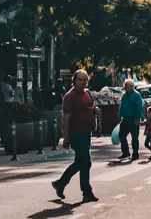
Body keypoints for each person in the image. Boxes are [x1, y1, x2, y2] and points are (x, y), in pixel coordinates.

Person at [52, 70, 99, 203]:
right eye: (80, 79)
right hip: (76, 133)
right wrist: (66, 137)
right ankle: (86, 191)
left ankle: (60, 184)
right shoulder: (69, 96)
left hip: (86, 133)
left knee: (81, 162)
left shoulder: (86, 93)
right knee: (86, 162)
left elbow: (90, 107)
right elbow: (65, 117)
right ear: (74, 80)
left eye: (85, 80)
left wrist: (95, 113)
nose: (83, 82)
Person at [117, 78, 144, 160]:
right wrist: (120, 116)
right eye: (125, 85)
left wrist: (138, 118)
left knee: (134, 137)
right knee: (122, 135)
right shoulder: (124, 95)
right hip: (125, 119)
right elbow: (122, 106)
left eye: (126, 85)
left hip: (134, 119)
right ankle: (125, 152)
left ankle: (135, 154)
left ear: (131, 86)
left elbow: (139, 107)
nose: (125, 87)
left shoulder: (136, 95)